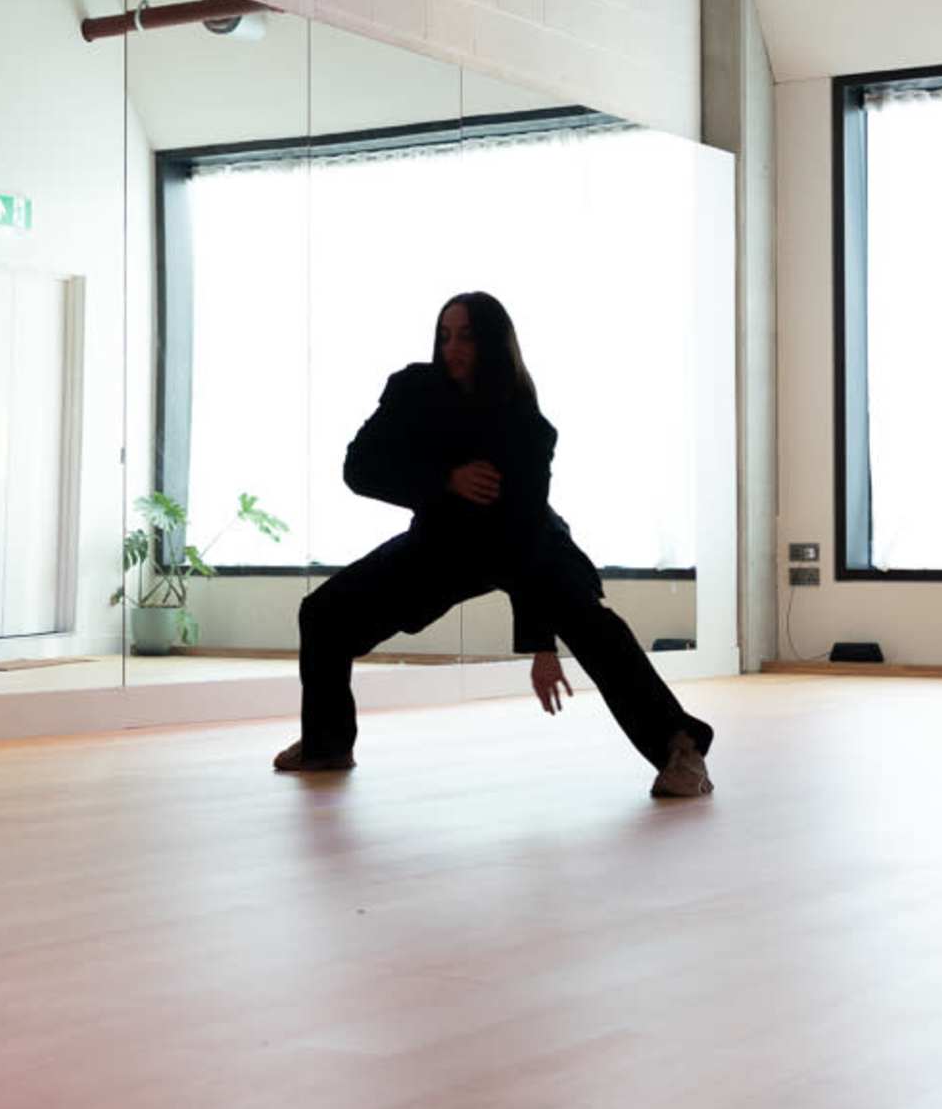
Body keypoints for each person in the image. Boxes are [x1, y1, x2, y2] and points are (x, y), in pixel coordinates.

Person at [274, 291, 712, 799]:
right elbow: (360, 468)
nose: (452, 347)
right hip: (446, 541)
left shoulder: (525, 424)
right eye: (444, 336)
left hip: (526, 544)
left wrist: (542, 645)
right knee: (325, 612)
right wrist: (446, 479)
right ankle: (326, 744)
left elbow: (522, 532)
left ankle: (681, 748)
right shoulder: (412, 389)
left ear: (492, 343)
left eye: (465, 336)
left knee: (594, 629)